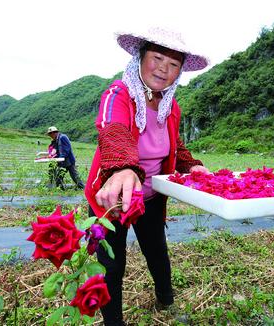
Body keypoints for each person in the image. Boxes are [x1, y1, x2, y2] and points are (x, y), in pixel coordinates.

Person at [84, 27, 209, 325]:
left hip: (150, 198)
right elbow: (113, 130)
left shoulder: (171, 106)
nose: (164, 68)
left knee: (157, 254)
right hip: (114, 195)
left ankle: (165, 301)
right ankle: (113, 322)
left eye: (174, 64)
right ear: (140, 57)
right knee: (111, 265)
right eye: (157, 57)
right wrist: (122, 168)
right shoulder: (119, 94)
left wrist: (192, 166)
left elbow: (175, 147)